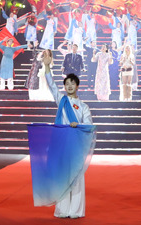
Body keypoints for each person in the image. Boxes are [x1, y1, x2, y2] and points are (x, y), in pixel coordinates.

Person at [44, 71, 94, 218]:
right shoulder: (62, 100)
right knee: (62, 177)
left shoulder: (83, 106)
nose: (70, 86)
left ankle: (75, 210)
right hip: (61, 144)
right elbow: (51, 85)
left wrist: (78, 125)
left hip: (76, 145)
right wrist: (47, 67)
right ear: (64, 87)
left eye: (72, 83)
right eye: (67, 84)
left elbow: (89, 125)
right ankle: (62, 209)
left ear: (77, 86)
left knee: (76, 178)